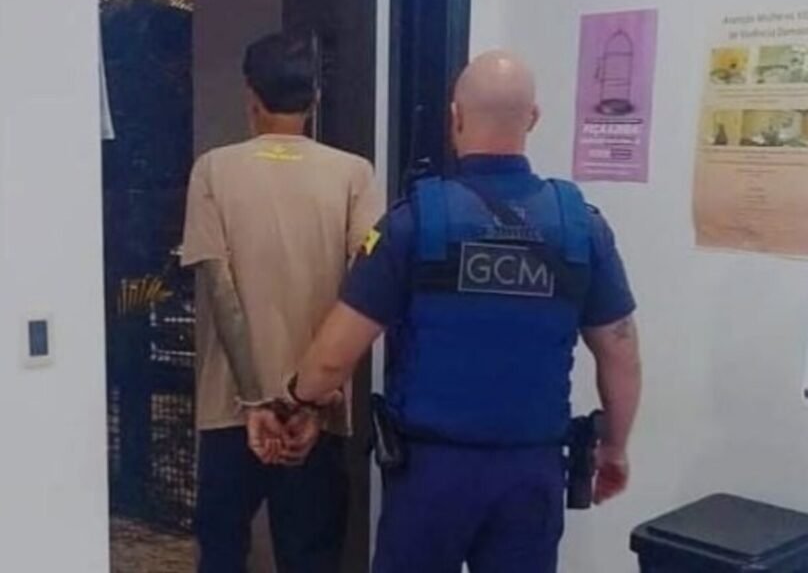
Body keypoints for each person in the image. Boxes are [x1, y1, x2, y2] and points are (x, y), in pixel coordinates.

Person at [252, 50, 642, 573]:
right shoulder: (580, 228)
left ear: (454, 116)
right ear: (532, 118)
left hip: (431, 478)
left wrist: (293, 402)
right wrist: (614, 447)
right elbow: (621, 353)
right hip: (531, 474)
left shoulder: (414, 223)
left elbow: (331, 359)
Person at [180, 32, 383, 573]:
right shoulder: (354, 174)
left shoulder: (213, 170)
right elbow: (365, 291)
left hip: (230, 410)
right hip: (318, 412)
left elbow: (220, 289)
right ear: (315, 97)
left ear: (251, 95)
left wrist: (254, 403)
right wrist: (309, 402)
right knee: (312, 558)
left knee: (221, 556)